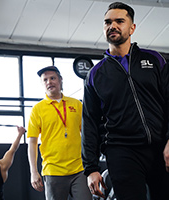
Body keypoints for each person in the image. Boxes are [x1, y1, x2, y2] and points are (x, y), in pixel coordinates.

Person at [82, 2, 169, 200]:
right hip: (122, 152)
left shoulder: (155, 60)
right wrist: (91, 168)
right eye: (107, 22)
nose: (112, 25)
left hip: (160, 147)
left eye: (119, 21)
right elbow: (89, 123)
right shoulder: (95, 74)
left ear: (132, 28)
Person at [27, 66, 92, 200]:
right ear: (42, 84)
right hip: (53, 170)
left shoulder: (76, 104)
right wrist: (33, 171)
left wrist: (92, 162)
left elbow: (88, 135)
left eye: (52, 78)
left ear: (60, 80)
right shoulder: (37, 109)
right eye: (45, 80)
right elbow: (32, 142)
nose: (49, 82)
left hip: (79, 168)